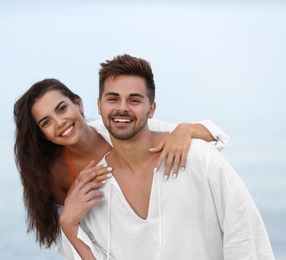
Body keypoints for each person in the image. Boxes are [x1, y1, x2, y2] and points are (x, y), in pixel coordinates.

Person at [59, 54, 275, 259]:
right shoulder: (97, 188)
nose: (122, 108)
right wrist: (68, 225)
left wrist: (192, 129)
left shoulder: (198, 156)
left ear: (151, 109)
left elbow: (243, 231)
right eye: (113, 99)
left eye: (134, 100)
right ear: (99, 106)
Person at [13, 78, 230, 251]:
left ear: (78, 104)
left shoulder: (119, 128)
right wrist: (69, 217)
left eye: (62, 109)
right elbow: (81, 243)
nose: (60, 122)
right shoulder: (56, 176)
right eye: (46, 122)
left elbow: (214, 137)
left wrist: (186, 129)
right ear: (43, 134)